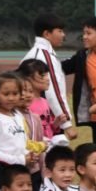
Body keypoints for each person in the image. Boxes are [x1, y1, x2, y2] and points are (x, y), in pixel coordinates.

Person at [23, 13, 77, 142]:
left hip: (45, 118)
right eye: (60, 31)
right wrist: (67, 124)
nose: (63, 35)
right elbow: (53, 91)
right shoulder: (44, 56)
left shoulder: (42, 53)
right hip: (43, 118)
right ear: (47, 34)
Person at [0, 73, 31, 190]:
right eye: (6, 94)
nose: (11, 98)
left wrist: (29, 154)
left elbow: (22, 141)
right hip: (3, 171)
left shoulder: (18, 115)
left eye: (15, 93)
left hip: (20, 168)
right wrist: (19, 160)